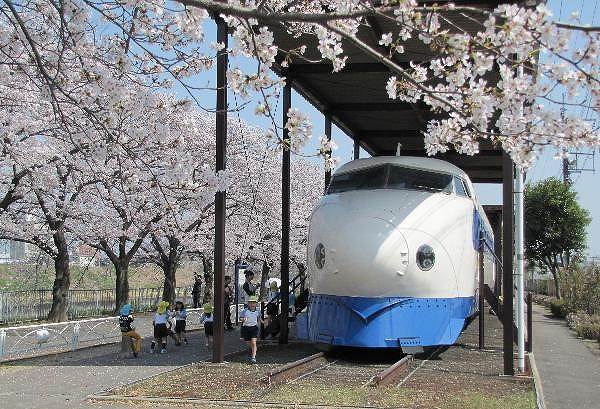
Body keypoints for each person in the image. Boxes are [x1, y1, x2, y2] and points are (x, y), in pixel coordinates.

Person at [241, 295, 263, 364]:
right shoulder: (245, 311)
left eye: (253, 303)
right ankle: (253, 349)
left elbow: (259, 318)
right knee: (248, 343)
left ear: (256, 304)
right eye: (250, 303)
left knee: (253, 342)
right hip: (246, 328)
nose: (252, 304)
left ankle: (253, 357)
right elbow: (240, 318)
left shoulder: (258, 311)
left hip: (254, 328)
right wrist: (243, 319)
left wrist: (263, 322)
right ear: (248, 303)